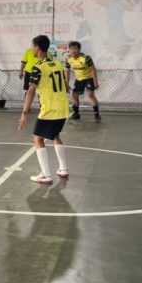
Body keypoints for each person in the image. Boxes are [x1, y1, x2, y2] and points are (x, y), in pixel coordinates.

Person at [18, 35, 70, 185]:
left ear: (37, 48)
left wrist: (24, 113)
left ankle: (46, 175)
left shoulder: (38, 67)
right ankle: (63, 168)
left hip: (49, 109)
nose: (32, 49)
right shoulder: (58, 64)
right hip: (62, 107)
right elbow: (65, 85)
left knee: (38, 139)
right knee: (55, 135)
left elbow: (31, 91)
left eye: (33, 46)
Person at [64, 41, 101, 121]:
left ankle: (96, 113)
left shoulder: (86, 58)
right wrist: (66, 84)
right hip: (79, 79)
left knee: (90, 94)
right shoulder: (68, 59)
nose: (73, 51)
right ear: (69, 50)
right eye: (71, 49)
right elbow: (67, 71)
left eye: (75, 49)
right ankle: (76, 114)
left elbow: (93, 69)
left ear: (79, 49)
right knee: (74, 95)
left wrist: (95, 82)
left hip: (89, 78)